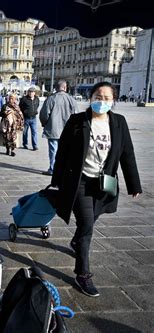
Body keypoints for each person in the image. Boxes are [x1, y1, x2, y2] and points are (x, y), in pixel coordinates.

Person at [51, 82, 142, 297]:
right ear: (90, 98)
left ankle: (76, 240)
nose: (102, 101)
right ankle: (82, 273)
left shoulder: (119, 122)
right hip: (80, 182)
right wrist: (57, 179)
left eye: (107, 98)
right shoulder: (77, 121)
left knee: (92, 218)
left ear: (113, 101)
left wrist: (134, 184)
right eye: (98, 97)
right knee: (87, 225)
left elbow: (127, 153)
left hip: (103, 182)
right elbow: (62, 152)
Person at [39, 80, 78, 175]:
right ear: (65, 88)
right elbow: (76, 115)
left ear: (56, 88)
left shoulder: (51, 99)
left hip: (53, 129)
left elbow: (44, 114)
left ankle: (53, 169)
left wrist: (45, 124)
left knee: (53, 150)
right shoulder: (71, 99)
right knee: (65, 150)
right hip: (67, 130)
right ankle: (64, 169)